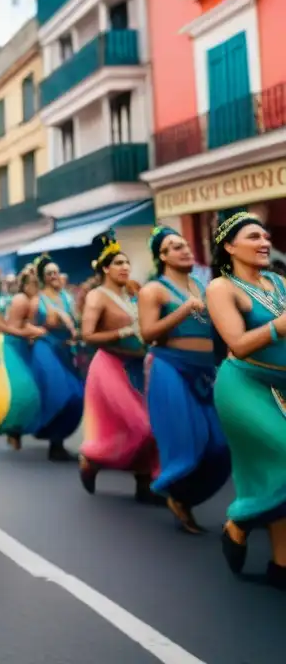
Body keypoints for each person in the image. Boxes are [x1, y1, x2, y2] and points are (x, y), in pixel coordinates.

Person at [205, 210, 286, 587]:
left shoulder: (277, 282)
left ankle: (281, 565)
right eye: (254, 237)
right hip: (244, 386)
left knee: (275, 472)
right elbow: (236, 344)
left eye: (265, 236)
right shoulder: (222, 287)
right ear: (229, 246)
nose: (264, 242)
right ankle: (238, 520)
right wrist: (278, 327)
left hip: (283, 386)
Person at [138, 226, 230, 534]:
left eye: (186, 246)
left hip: (206, 371)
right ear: (161, 256)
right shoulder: (154, 290)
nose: (185, 250)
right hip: (170, 368)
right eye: (175, 247)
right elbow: (148, 334)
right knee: (189, 441)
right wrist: (184, 310)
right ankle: (175, 494)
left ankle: (184, 497)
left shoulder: (203, 286)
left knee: (220, 447)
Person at [78, 232, 161, 504]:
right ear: (105, 268)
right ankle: (93, 460)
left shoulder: (136, 292)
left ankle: (144, 484)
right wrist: (122, 332)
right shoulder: (97, 297)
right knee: (140, 427)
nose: (125, 267)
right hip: (111, 366)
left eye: (127, 263)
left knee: (154, 427)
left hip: (142, 366)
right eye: (118, 263)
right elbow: (87, 335)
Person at [25, 253, 83, 461]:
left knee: (77, 396)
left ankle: (57, 441)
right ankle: (52, 440)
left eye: (56, 272)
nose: (54, 276)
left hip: (66, 350)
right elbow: (25, 324)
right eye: (49, 273)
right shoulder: (36, 300)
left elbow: (78, 323)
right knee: (61, 393)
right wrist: (38, 330)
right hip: (45, 348)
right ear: (43, 277)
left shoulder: (68, 298)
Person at [0, 264, 46, 451]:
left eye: (36, 283)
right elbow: (13, 327)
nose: (35, 286)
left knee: (21, 388)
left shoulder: (27, 299)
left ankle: (15, 432)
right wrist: (31, 333)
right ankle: (13, 431)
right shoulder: (22, 300)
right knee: (20, 389)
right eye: (32, 283)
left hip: (19, 344)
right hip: (13, 345)